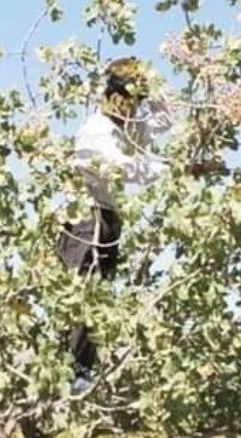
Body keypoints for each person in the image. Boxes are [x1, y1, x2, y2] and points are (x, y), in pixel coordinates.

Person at [56, 56, 172, 392]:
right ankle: (71, 371)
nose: (133, 108)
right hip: (85, 217)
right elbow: (123, 169)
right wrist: (170, 168)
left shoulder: (130, 126)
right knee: (82, 292)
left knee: (100, 294)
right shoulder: (96, 131)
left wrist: (152, 80)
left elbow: (164, 120)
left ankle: (83, 369)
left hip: (108, 217)